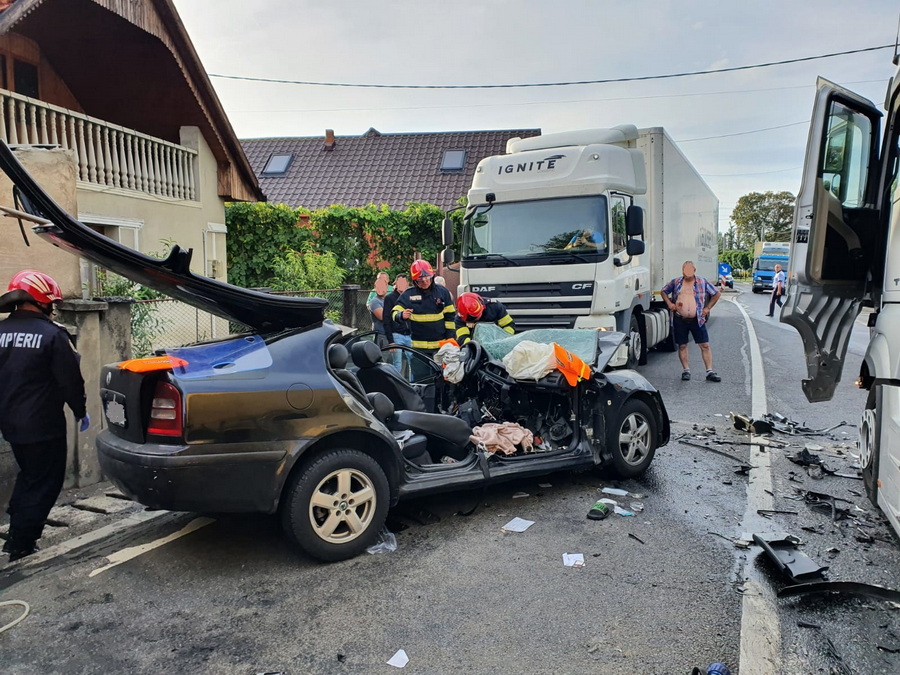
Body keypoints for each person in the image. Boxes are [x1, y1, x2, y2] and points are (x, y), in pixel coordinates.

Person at [0, 270, 88, 562]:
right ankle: (22, 543)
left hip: (10, 424)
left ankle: (17, 531)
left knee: (30, 476)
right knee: (45, 482)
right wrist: (80, 410)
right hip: (43, 425)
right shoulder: (53, 335)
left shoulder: (0, 333)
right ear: (42, 300)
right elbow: (70, 381)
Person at [392, 260, 455, 379]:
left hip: (440, 348)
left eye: (427, 278)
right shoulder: (408, 294)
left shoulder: (442, 292)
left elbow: (450, 317)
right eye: (420, 281)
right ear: (415, 281)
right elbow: (394, 312)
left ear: (432, 276)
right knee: (421, 382)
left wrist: (450, 339)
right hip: (419, 350)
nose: (425, 282)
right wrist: (401, 315)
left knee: (441, 380)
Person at [661, 261, 721, 382]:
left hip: (697, 319)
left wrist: (707, 308)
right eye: (684, 270)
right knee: (682, 346)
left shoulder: (702, 281)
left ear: (694, 270)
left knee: (704, 345)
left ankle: (709, 371)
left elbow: (716, 293)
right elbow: (663, 291)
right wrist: (669, 304)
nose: (687, 272)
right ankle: (686, 370)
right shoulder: (676, 282)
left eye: (689, 270)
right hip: (679, 318)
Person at [383, 273, 411, 371]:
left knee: (413, 362)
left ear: (407, 284)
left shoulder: (410, 297)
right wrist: (391, 340)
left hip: (410, 334)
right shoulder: (389, 298)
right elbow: (386, 319)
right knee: (397, 364)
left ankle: (414, 385)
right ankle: (396, 385)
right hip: (396, 334)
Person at [367, 273, 389, 347]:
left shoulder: (387, 300)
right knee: (382, 356)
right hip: (381, 335)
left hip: (389, 334)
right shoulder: (374, 301)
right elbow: (383, 317)